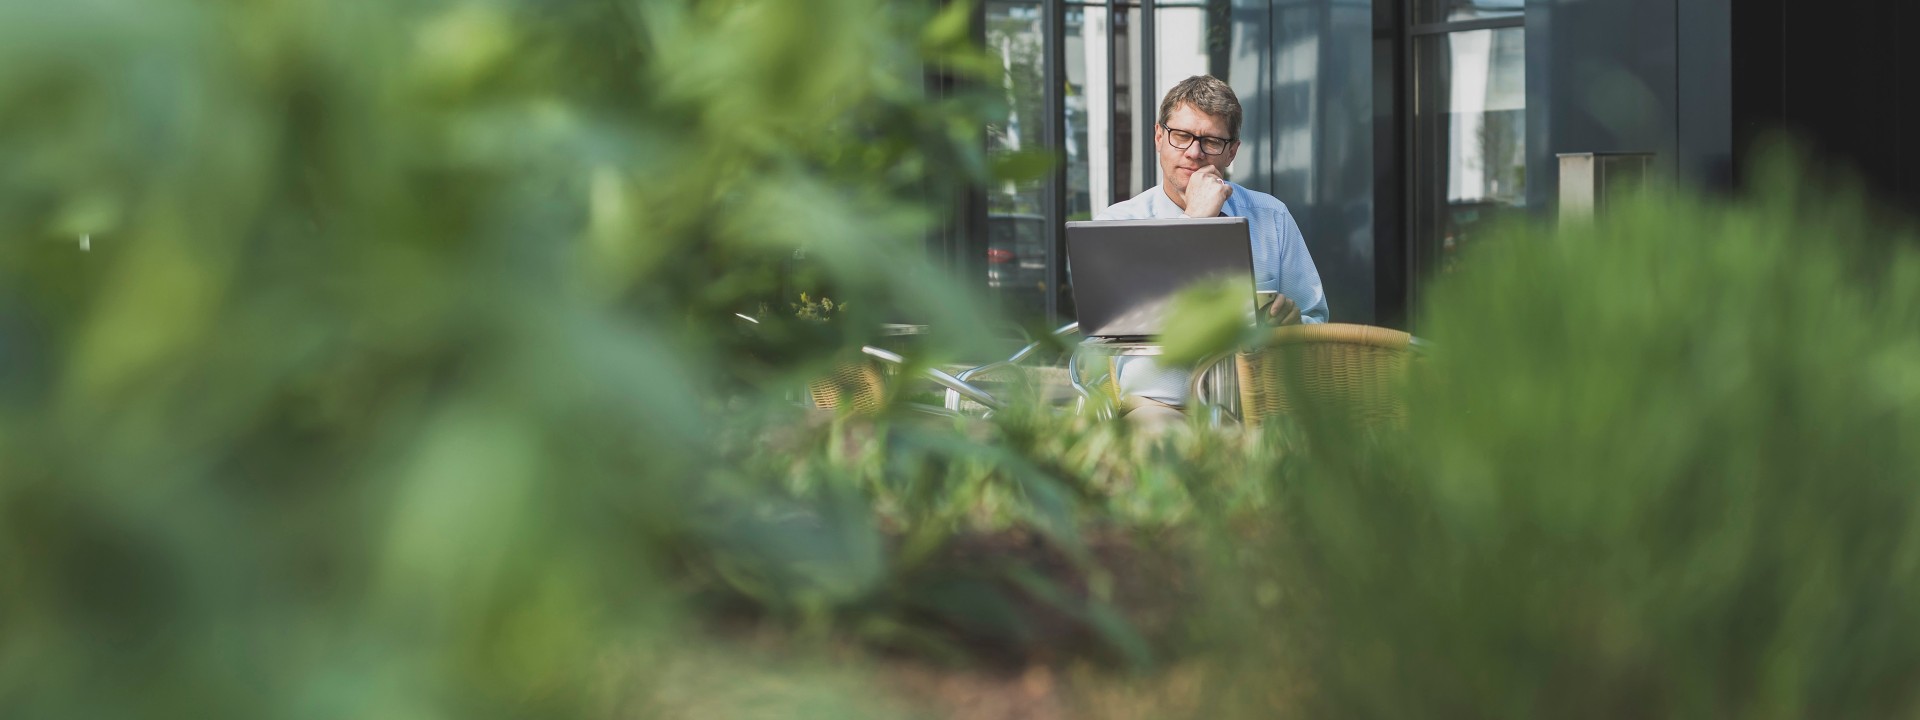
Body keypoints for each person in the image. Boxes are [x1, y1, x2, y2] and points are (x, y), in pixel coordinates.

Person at [1094, 75, 1328, 428]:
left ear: (1232, 151)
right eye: (1182, 136)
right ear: (1159, 137)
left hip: (1260, 410)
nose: (1193, 152)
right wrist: (1195, 221)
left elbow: (1316, 320)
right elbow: (1114, 331)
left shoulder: (1272, 217)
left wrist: (1294, 324)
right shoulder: (1118, 223)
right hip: (1161, 407)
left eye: (1211, 141)